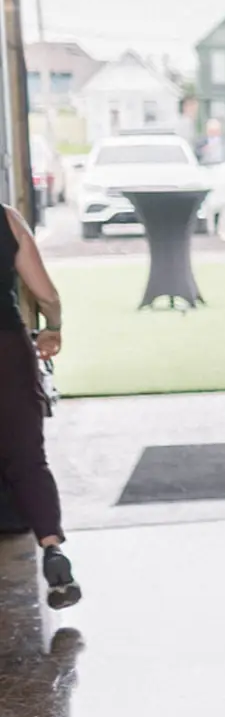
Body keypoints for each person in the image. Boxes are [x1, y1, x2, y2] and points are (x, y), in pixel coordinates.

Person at [0, 204, 80, 609]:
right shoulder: (7, 219)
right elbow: (46, 294)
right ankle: (53, 550)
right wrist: (53, 326)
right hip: (7, 349)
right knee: (27, 456)